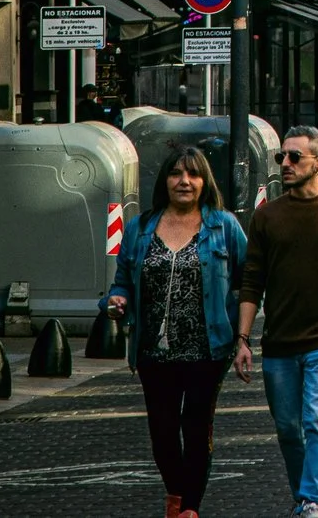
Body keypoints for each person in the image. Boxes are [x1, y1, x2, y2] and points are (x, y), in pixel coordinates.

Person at [236, 124, 318, 518]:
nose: (286, 164)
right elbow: (252, 280)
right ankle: (303, 498)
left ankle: (313, 499)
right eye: (282, 156)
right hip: (279, 340)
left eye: (295, 157)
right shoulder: (267, 217)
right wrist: (243, 339)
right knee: (288, 428)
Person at [106, 147, 247, 518]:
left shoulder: (223, 226)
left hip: (207, 349)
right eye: (176, 174)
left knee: (196, 427)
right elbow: (122, 281)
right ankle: (176, 494)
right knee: (163, 431)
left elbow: (249, 281)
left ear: (204, 182)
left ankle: (189, 509)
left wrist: (242, 334)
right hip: (154, 351)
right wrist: (118, 300)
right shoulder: (140, 227)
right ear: (164, 181)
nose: (184, 181)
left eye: (193, 174)